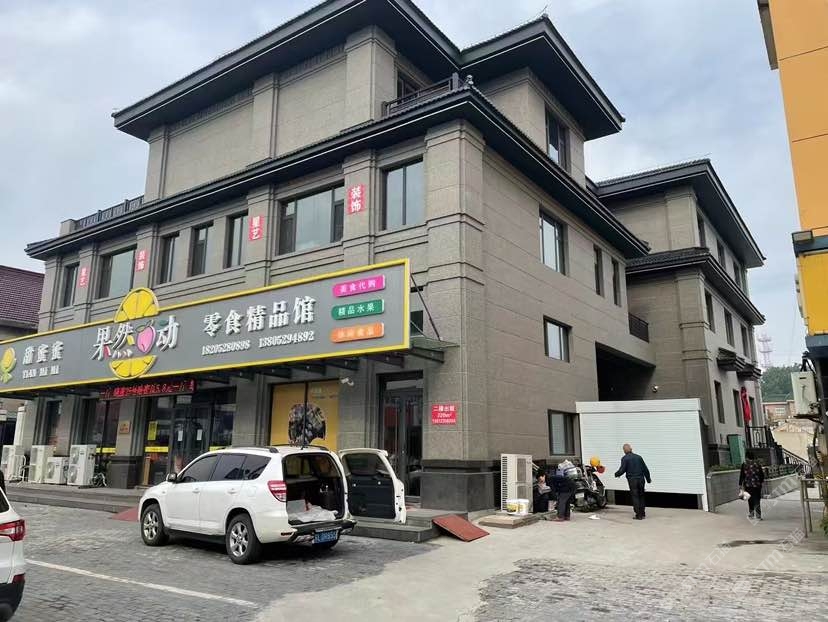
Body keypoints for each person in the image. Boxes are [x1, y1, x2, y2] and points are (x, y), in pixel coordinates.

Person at [614, 443, 651, 520]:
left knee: (635, 496)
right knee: (641, 495)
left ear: (624, 451)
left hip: (632, 480)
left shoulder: (625, 458)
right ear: (631, 449)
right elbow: (645, 469)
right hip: (641, 479)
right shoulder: (639, 457)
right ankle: (642, 513)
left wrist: (616, 474)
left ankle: (638, 515)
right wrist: (648, 479)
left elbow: (622, 470)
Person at [739, 451, 765, 520]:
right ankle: (758, 516)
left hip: (748, 485)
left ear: (747, 457)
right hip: (757, 485)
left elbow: (742, 475)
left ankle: (751, 514)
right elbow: (761, 475)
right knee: (757, 499)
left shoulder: (744, 464)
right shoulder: (757, 464)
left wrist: (740, 484)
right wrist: (761, 482)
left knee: (750, 499)